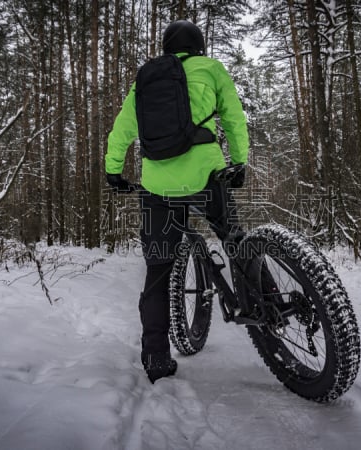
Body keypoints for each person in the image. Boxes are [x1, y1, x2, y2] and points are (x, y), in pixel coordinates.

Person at [104, 20, 250, 383]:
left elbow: (122, 130)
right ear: (198, 46)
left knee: (157, 271)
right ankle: (262, 305)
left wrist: (113, 172)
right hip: (206, 175)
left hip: (158, 186)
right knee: (236, 242)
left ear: (167, 48)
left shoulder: (146, 79)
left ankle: (155, 359)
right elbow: (233, 118)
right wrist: (240, 162)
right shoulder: (212, 68)